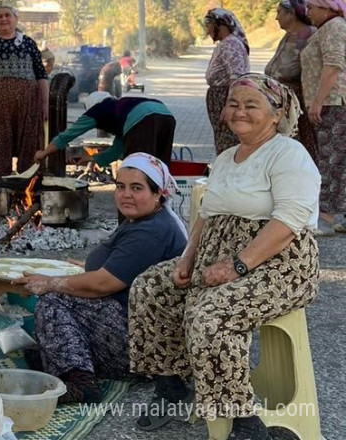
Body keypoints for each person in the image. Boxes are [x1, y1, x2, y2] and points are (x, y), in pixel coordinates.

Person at [128, 74, 319, 439]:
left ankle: (244, 422)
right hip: (217, 260)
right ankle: (172, 385)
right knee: (151, 287)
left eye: (251, 105)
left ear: (276, 114)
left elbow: (288, 222)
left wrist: (237, 265)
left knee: (211, 315)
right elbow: (208, 213)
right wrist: (187, 257)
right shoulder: (228, 157)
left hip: (280, 266)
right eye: (233, 103)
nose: (239, 112)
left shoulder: (288, 154)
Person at [14, 153, 187, 404]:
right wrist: (85, 267)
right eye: (120, 187)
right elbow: (121, 266)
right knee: (57, 311)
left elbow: (103, 285)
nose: (125, 194)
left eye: (136, 188)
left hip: (144, 344)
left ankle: (81, 382)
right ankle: (64, 360)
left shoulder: (152, 231)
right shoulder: (145, 218)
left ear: (158, 193)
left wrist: (49, 282)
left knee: (53, 302)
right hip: (135, 324)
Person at [0, 6, 49, 186]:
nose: (3, 19)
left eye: (7, 15)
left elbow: (41, 75)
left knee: (28, 143)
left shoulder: (28, 43)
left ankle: (27, 183)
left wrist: (45, 104)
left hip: (26, 103)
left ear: (16, 19)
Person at [34, 91, 176, 168]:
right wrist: (87, 158)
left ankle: (133, 219)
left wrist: (44, 153)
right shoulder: (121, 111)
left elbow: (67, 136)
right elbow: (115, 152)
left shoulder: (96, 111)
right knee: (161, 166)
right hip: (167, 115)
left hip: (143, 118)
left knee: (136, 168)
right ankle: (161, 207)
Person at [301, 0, 346, 233]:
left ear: (327, 8)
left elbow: (333, 65)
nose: (307, 12)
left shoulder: (334, 26)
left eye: (311, 7)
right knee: (337, 159)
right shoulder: (327, 28)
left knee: (331, 161)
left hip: (332, 104)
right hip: (329, 103)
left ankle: (326, 217)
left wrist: (317, 101)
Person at [265, 0, 318, 162]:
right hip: (282, 99)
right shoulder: (289, 36)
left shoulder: (308, 34)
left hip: (297, 102)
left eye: (279, 12)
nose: (276, 17)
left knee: (301, 145)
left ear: (291, 13)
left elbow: (302, 69)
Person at [204, 8, 251, 155]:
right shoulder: (225, 43)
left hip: (225, 96)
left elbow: (237, 78)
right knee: (222, 139)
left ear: (220, 25)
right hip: (220, 97)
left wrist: (229, 105)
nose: (208, 29)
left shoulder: (231, 44)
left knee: (228, 141)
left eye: (209, 24)